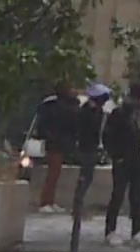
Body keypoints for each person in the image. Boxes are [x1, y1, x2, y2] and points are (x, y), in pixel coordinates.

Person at [103, 83, 140, 246]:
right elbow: (108, 136)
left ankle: (137, 230)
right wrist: (116, 155)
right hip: (123, 160)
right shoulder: (119, 114)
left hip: (139, 161)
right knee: (118, 195)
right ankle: (110, 230)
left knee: (137, 196)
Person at [35, 84, 81, 213]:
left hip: (60, 142)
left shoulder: (66, 105)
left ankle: (50, 200)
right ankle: (45, 201)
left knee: (56, 173)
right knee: (53, 173)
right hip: (55, 143)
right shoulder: (55, 107)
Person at [75, 84, 112, 202]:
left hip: (92, 147)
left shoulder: (98, 111)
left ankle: (80, 201)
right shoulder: (87, 111)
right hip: (86, 147)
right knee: (85, 176)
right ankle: (78, 202)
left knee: (88, 176)